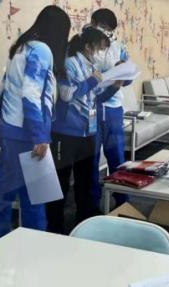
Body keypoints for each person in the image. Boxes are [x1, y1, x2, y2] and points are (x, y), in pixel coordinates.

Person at [0, 5, 71, 243]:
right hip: (27, 136)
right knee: (33, 199)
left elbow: (2, 90)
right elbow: (31, 94)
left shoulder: (20, 48)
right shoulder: (42, 51)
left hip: (11, 132)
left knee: (4, 195)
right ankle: (32, 248)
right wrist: (40, 137)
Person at [45, 27, 115, 234]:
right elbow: (67, 94)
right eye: (99, 49)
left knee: (85, 182)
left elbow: (94, 98)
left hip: (88, 132)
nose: (100, 54)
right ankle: (55, 227)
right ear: (88, 46)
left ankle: (84, 224)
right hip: (66, 133)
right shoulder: (70, 63)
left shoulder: (92, 66)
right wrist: (92, 80)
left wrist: (114, 87)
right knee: (60, 182)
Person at [88, 9, 131, 211]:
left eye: (109, 29)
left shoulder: (118, 46)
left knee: (117, 157)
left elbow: (128, 77)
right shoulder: (84, 45)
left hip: (114, 110)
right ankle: (91, 205)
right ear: (93, 23)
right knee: (91, 160)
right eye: (102, 27)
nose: (106, 32)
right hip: (91, 110)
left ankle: (123, 202)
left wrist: (123, 72)